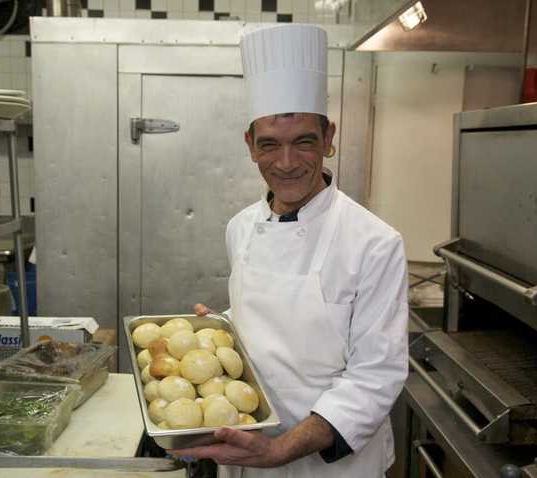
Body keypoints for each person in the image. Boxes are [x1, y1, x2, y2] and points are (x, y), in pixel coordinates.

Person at [170, 24, 409, 477]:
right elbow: (272, 326)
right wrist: (219, 329)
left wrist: (280, 452)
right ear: (249, 146)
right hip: (244, 451)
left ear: (329, 137)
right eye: (269, 145)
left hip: (335, 468)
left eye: (304, 141)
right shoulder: (241, 228)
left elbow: (375, 377)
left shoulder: (374, 243)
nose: (286, 163)